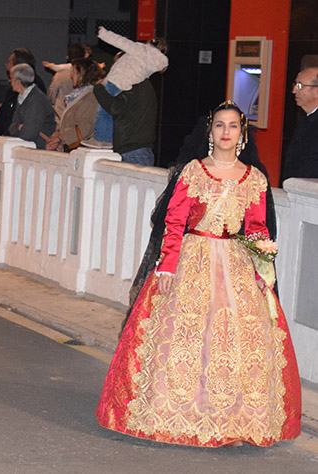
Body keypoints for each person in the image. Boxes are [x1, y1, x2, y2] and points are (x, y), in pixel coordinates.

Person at [97, 101, 301, 447]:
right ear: (210, 131)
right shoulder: (194, 171)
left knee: (233, 340)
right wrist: (167, 265)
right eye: (219, 125)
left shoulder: (254, 178)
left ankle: (234, 421)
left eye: (232, 126)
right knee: (185, 336)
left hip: (235, 263)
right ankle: (175, 414)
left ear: (242, 133)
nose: (226, 132)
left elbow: (256, 228)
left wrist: (261, 268)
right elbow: (174, 223)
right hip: (193, 258)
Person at [83, 26, 168, 153]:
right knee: (112, 112)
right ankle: (108, 139)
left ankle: (101, 139)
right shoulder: (159, 61)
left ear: (150, 43)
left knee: (104, 110)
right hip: (128, 86)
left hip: (117, 80)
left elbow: (120, 41)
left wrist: (103, 33)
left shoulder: (141, 49)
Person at [46, 58, 105, 151]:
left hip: (79, 150)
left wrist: (60, 137)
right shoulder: (80, 95)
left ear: (83, 74)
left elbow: (85, 128)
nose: (71, 76)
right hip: (73, 148)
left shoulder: (90, 98)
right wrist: (58, 136)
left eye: (74, 72)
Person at [1, 63, 56, 149]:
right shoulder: (22, 97)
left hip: (40, 148)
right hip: (32, 147)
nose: (10, 82)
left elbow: (28, 134)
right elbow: (11, 128)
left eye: (11, 79)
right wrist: (18, 127)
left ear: (18, 82)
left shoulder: (36, 100)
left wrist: (18, 127)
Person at [281, 66, 318, 182]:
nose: (294, 91)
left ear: (316, 91)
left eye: (300, 86)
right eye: (295, 85)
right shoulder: (306, 119)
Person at [45, 43, 88, 119]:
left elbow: (52, 94)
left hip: (61, 114)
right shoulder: (89, 74)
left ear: (68, 57)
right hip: (82, 114)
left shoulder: (60, 75)